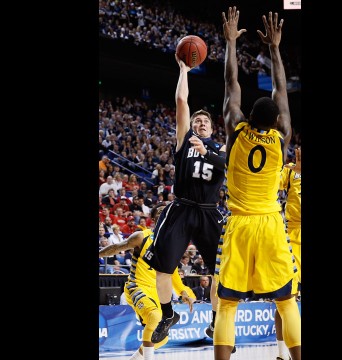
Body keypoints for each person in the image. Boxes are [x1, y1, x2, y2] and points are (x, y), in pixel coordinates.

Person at [213, 7, 301, 360]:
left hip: (239, 224)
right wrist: (275, 49)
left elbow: (231, 84)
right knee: (286, 301)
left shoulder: (235, 132)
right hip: (270, 225)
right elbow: (282, 88)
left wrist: (231, 43)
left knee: (227, 304)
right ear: (277, 121)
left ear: (247, 117)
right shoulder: (282, 138)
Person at [142, 48, 227, 344]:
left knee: (220, 272)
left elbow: (229, 167)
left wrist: (209, 153)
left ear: (213, 129)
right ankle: (168, 314)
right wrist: (184, 72)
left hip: (209, 211)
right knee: (162, 267)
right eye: (197, 121)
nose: (200, 124)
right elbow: (181, 101)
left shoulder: (221, 150)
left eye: (205, 122)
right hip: (181, 208)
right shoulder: (184, 142)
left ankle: (217, 322)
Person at [98, 205, 195, 360]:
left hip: (157, 292)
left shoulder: (173, 244)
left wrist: (183, 291)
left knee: (162, 338)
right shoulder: (141, 237)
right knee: (155, 316)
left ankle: (135, 358)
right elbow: (117, 247)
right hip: (137, 286)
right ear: (155, 218)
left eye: (167, 210)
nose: (165, 212)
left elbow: (173, 273)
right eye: (160, 211)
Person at [275, 147, 302, 360]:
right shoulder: (291, 171)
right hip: (293, 236)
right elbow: (272, 182)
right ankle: (282, 354)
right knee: (286, 297)